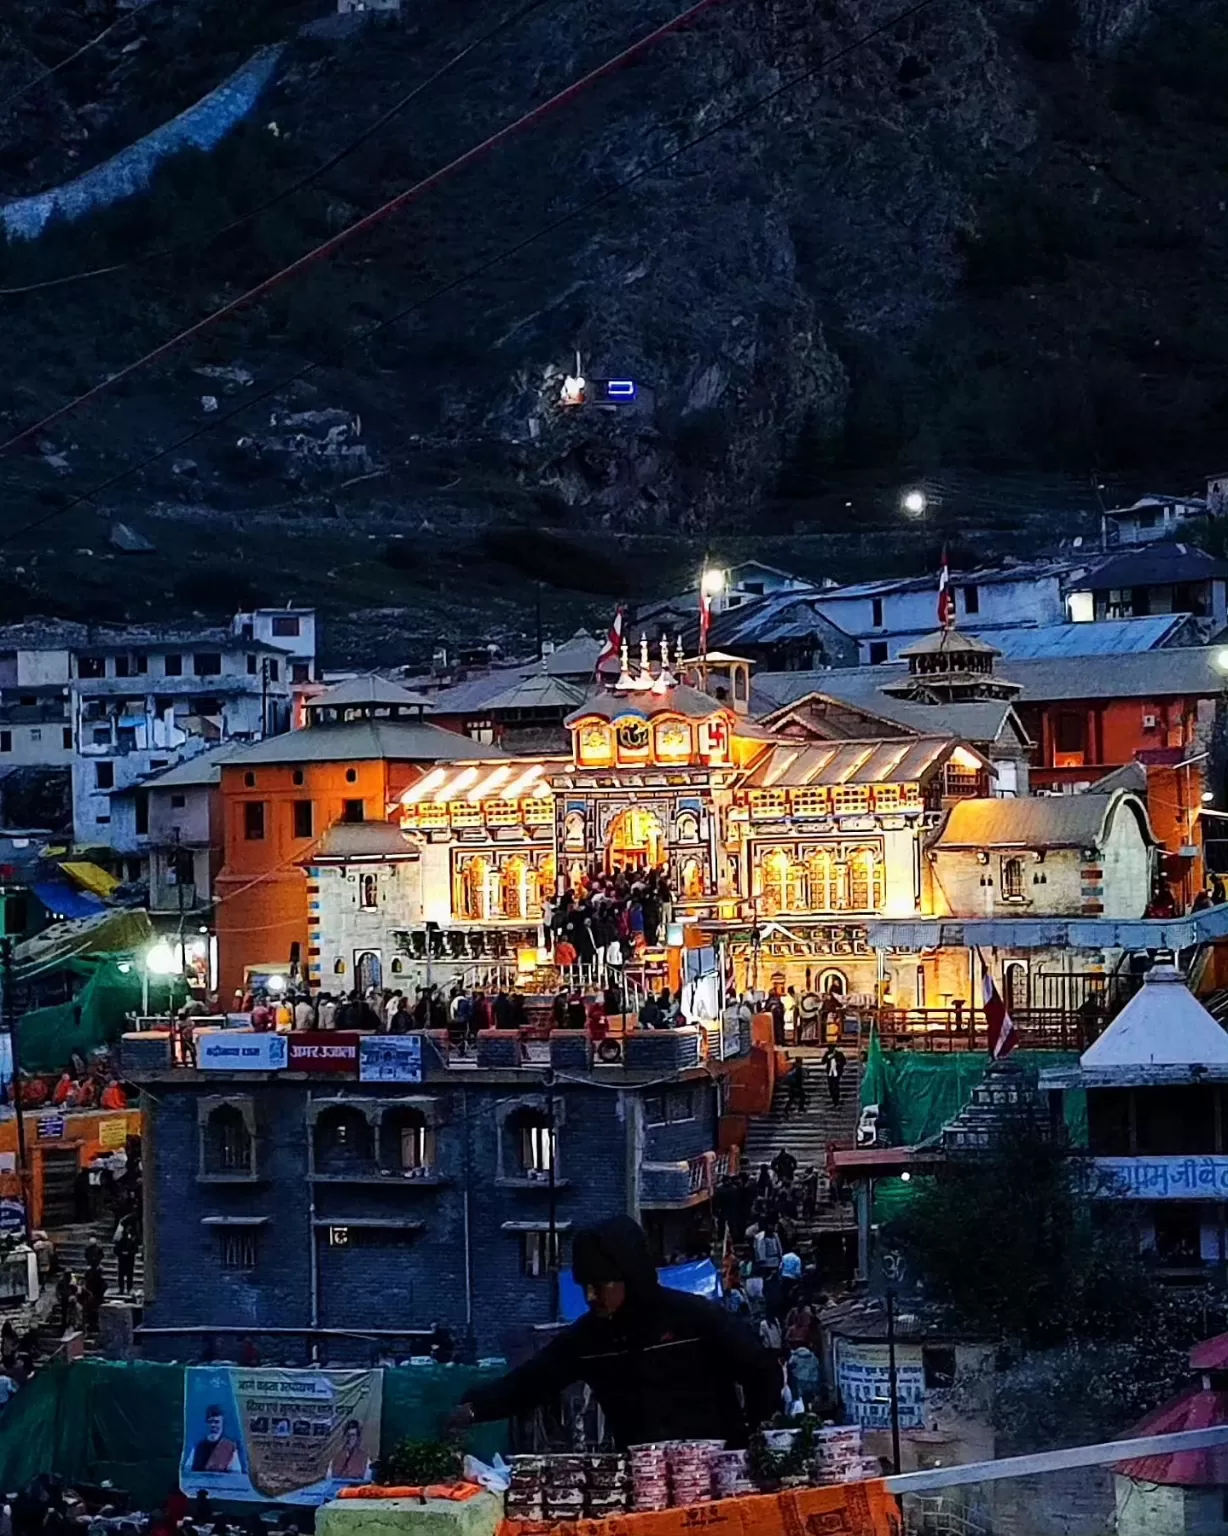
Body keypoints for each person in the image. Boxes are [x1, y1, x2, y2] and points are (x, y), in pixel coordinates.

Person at [449, 1215, 779, 1448]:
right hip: (642, 1482)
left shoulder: (695, 1318)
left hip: (713, 1474)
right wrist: (476, 1408)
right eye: (585, 1286)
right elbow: (531, 1382)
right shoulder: (590, 1339)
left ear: (630, 1276)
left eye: (601, 1285)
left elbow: (760, 1369)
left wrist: (751, 1438)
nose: (591, 1297)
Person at [190, 1405, 242, 1473]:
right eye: (210, 1422)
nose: (213, 1425)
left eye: (216, 1422)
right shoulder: (197, 1448)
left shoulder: (231, 1448)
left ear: (222, 1424)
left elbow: (236, 1475)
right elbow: (188, 1473)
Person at [114, 1217, 139, 1295]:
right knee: (121, 1274)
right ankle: (121, 1288)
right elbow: (116, 1248)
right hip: (122, 1259)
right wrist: (121, 1253)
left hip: (130, 1259)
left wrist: (130, 1253)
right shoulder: (121, 1237)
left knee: (129, 1275)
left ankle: (129, 1288)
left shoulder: (133, 1237)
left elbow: (136, 1249)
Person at [822, 1041, 846, 1107]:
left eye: (831, 1047)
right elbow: (823, 1061)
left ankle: (837, 1101)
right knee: (830, 1088)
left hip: (836, 1073)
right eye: (829, 1047)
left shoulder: (839, 1054)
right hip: (830, 1073)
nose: (829, 1049)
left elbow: (844, 1061)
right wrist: (827, 1058)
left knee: (835, 1087)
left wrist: (838, 1063)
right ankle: (834, 1100)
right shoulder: (827, 1054)